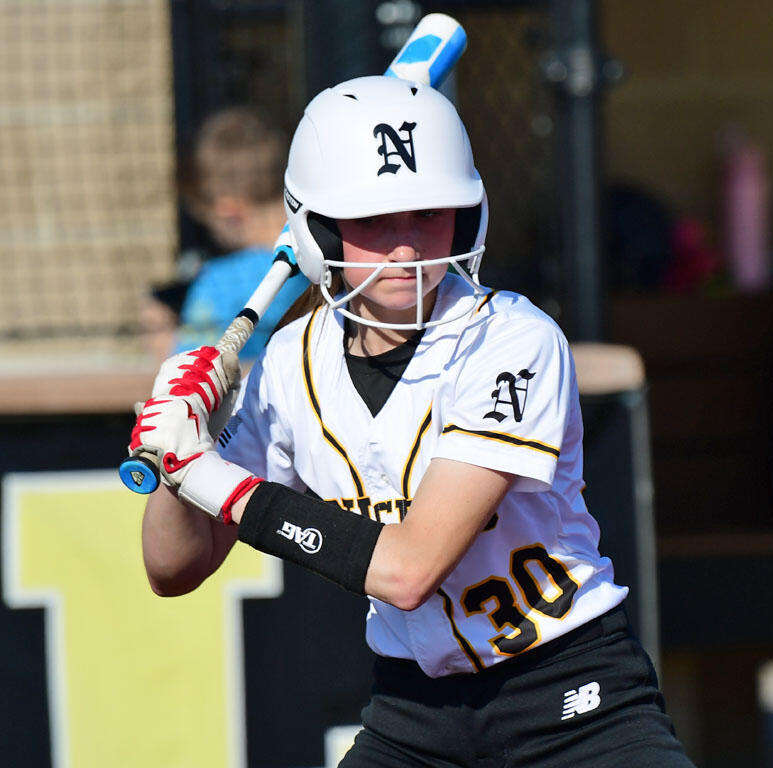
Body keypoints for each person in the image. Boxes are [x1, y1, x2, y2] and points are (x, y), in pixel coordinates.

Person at [130, 75, 694, 767]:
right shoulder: (289, 362)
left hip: (572, 698)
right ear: (319, 227)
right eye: (374, 220)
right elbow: (173, 565)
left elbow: (408, 569)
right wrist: (173, 455)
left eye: (429, 213)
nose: (406, 248)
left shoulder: (512, 338)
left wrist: (211, 479)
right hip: (413, 716)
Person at [140, 107, 309, 361]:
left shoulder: (219, 283)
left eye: (209, 223)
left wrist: (161, 337)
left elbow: (192, 375)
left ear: (229, 213)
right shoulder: (323, 253)